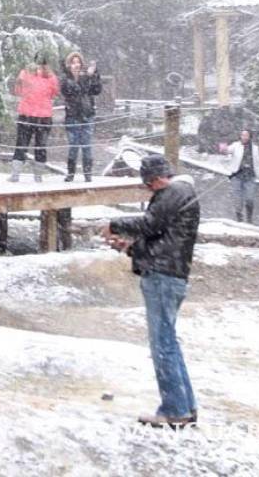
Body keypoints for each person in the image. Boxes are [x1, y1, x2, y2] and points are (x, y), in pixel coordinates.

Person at [101, 154, 200, 428]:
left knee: (163, 345)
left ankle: (175, 410)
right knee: (169, 342)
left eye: (148, 184)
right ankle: (185, 406)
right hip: (172, 274)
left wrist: (115, 224)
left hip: (163, 278)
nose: (148, 189)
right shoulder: (180, 194)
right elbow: (162, 239)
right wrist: (130, 248)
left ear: (155, 179)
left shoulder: (172, 192)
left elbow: (149, 224)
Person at [10, 50, 60, 182]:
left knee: (40, 146)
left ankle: (38, 176)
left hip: (43, 117)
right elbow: (18, 91)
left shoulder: (51, 77)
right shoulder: (25, 73)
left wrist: (49, 76)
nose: (40, 65)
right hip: (27, 114)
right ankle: (16, 174)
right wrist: (22, 78)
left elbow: (55, 92)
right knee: (22, 144)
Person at [60, 52, 102, 182]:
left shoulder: (87, 77)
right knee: (73, 145)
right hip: (73, 116)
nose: (76, 65)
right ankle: (71, 173)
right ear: (69, 65)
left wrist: (94, 75)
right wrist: (85, 78)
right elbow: (73, 90)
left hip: (87, 115)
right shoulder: (66, 79)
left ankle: (87, 174)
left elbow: (96, 90)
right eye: (73, 62)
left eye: (78, 62)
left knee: (87, 146)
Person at [225, 128, 259, 224]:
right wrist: (223, 147)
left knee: (249, 198)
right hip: (237, 176)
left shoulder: (255, 149)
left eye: (246, 135)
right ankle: (239, 218)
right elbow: (227, 150)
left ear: (250, 136)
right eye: (243, 135)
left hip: (250, 177)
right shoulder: (236, 145)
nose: (244, 137)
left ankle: (249, 219)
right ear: (240, 136)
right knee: (238, 199)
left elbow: (257, 164)